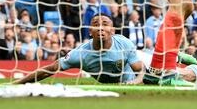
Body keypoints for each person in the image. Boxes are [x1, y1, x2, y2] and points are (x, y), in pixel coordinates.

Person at [15, 14, 144, 85]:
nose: (100, 28)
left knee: (158, 76)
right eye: (95, 25)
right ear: (89, 32)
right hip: (114, 84)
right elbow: (48, 70)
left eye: (105, 24)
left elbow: (141, 69)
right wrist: (18, 83)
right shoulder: (81, 54)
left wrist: (136, 81)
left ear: (113, 31)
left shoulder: (124, 44)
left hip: (143, 60)